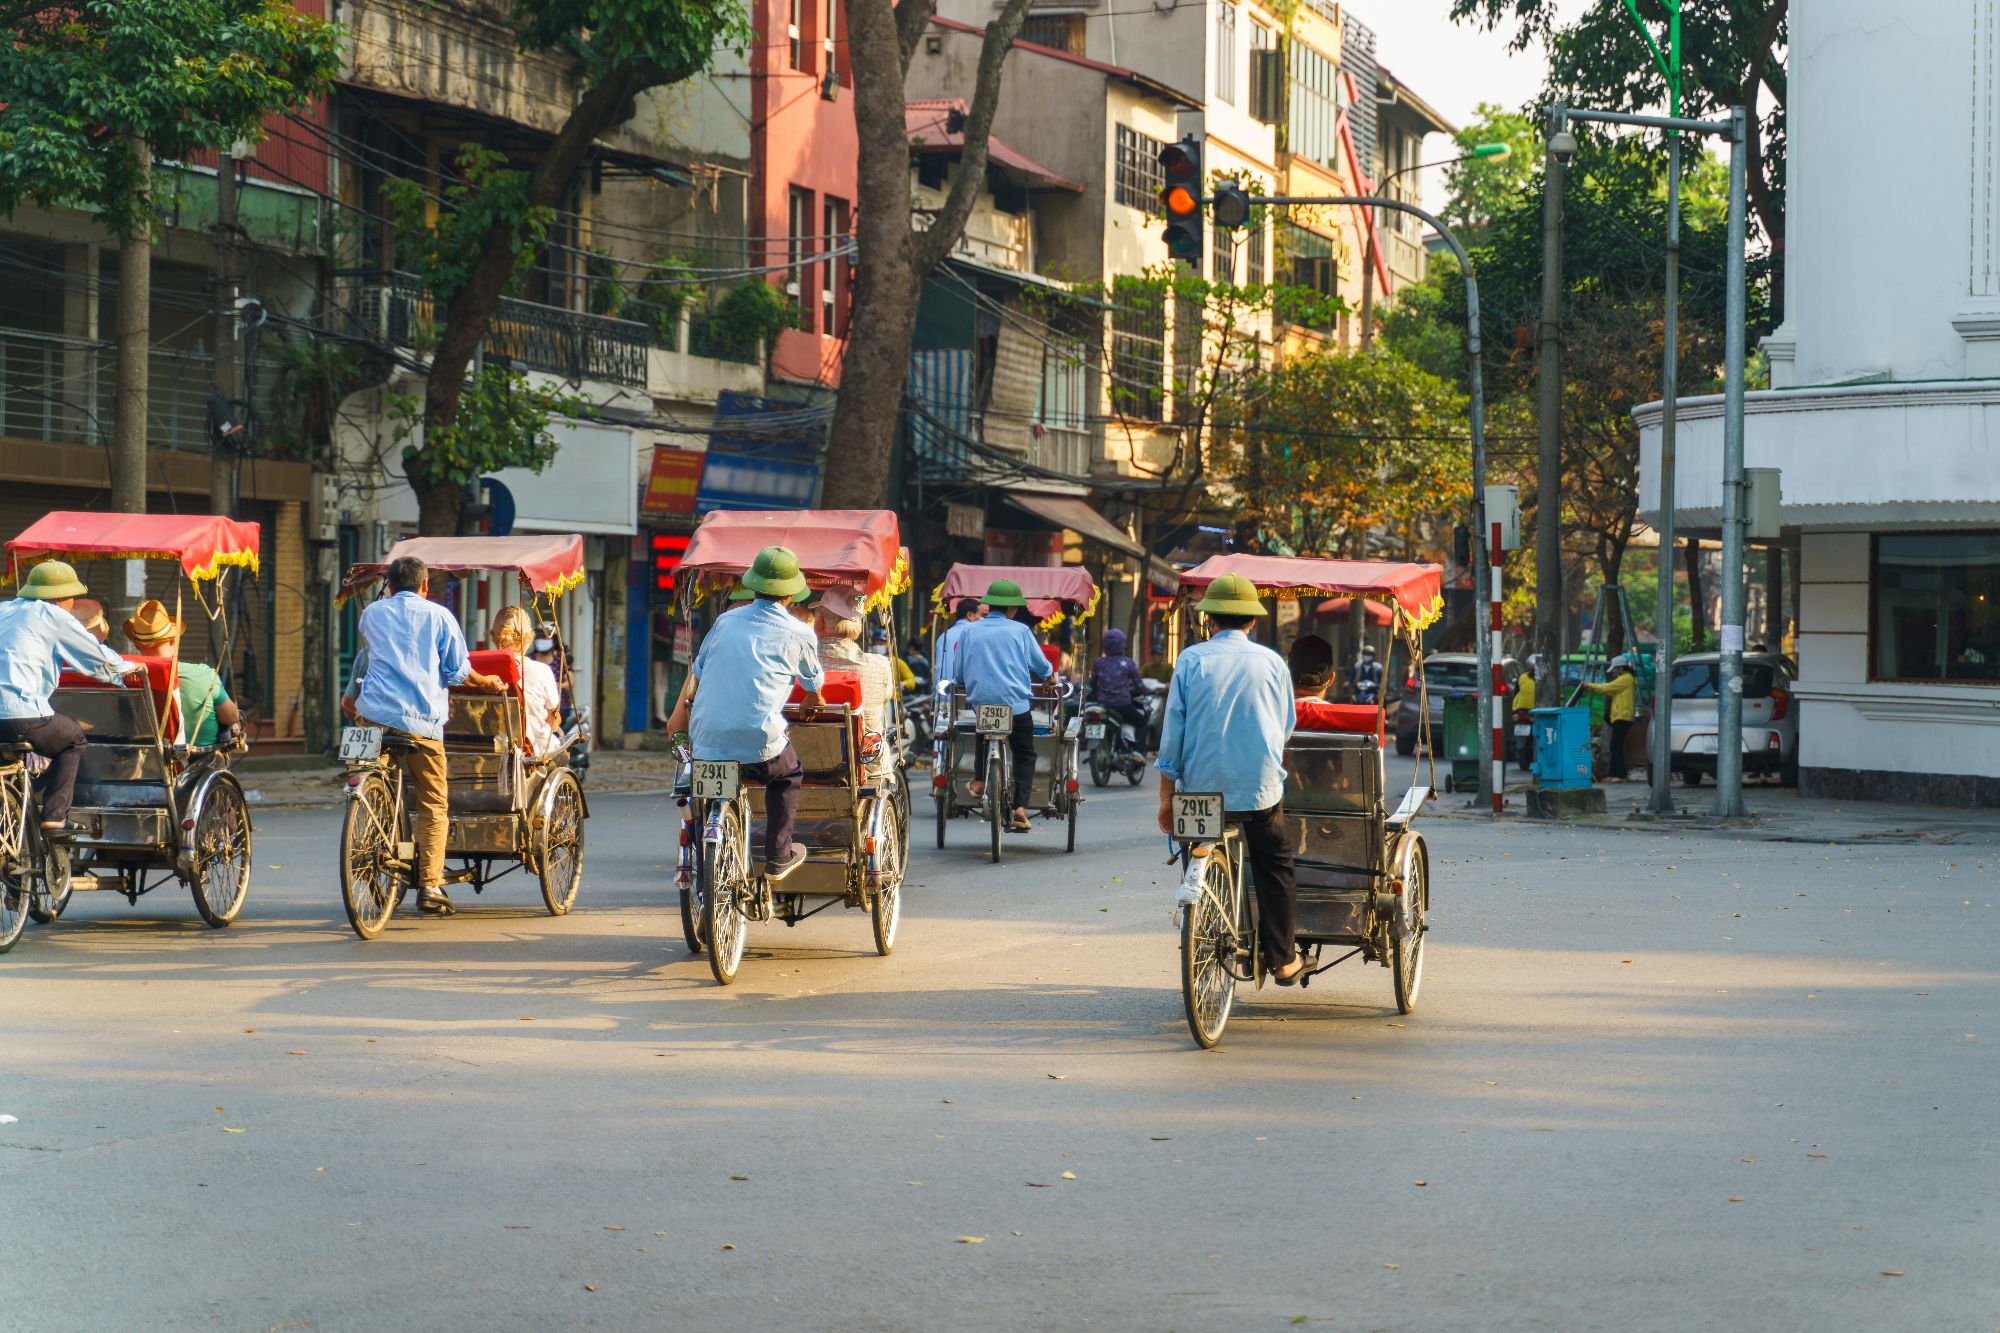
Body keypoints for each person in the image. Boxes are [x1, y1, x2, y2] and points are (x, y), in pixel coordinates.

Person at [1155, 574, 1306, 985]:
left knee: (1196, 848)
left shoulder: (1190, 660)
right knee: (1275, 863)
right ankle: (1282, 960)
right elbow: (1285, 726)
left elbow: (1173, 737)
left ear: (1210, 620)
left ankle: (1203, 908)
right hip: (1259, 792)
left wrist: (1166, 798)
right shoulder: (1273, 663)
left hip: (1200, 792)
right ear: (1252, 622)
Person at [342, 555, 507, 915]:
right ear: (425, 585)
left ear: (390, 583)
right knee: (434, 803)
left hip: (372, 717)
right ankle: (430, 884)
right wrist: (488, 683)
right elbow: (459, 673)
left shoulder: (372, 614)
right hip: (421, 723)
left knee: (372, 781)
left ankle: (369, 823)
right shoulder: (439, 616)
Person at [665, 546, 824, 879]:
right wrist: (812, 700)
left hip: (708, 738)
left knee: (705, 792)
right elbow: (813, 685)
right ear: (792, 593)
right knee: (788, 775)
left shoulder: (724, 622)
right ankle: (779, 854)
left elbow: (698, 673)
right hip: (761, 746)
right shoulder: (800, 633)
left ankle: (702, 857)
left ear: (754, 585)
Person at [0, 560, 147, 832]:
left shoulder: (4, 610)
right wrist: (125, 668)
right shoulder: (53, 615)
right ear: (61, 598)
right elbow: (96, 658)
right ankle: (55, 816)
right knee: (72, 740)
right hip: (23, 713)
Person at [956, 578, 1053, 832]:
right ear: (1011, 609)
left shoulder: (969, 631)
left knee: (983, 731)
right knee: (1024, 754)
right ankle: (1020, 807)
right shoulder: (1021, 631)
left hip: (981, 704)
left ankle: (978, 781)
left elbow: (958, 673)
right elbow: (1041, 666)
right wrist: (1048, 677)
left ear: (989, 606)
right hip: (1017, 706)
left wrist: (962, 683)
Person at [122, 599, 243, 748]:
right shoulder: (204, 674)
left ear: (136, 645)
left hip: (146, 759)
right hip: (198, 761)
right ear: (173, 641)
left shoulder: (125, 677)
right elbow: (230, 717)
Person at [815, 587, 893, 742]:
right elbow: (886, 699)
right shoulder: (881, 666)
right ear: (857, 626)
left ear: (820, 622)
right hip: (867, 761)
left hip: (806, 759)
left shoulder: (797, 662)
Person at [489, 605, 563, 757]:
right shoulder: (542, 671)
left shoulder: (477, 672)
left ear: (492, 636)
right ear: (529, 638)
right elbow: (553, 721)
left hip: (486, 747)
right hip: (532, 751)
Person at [1088, 627, 1148, 748]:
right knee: (1142, 723)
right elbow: (1139, 685)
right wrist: (1149, 691)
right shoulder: (1128, 662)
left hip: (1103, 704)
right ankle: (1138, 752)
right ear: (1122, 644)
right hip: (1123, 705)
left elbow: (1092, 683)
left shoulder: (1099, 662)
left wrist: (1095, 693)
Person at [1583, 654, 1639, 781]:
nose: (1615, 672)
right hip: (1620, 717)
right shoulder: (1627, 679)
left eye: (1616, 669)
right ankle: (1615, 774)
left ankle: (1619, 775)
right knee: (1615, 745)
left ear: (1620, 668)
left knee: (1616, 746)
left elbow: (1607, 687)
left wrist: (1589, 685)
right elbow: (1611, 690)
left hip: (1622, 716)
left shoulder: (1625, 678)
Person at [933, 597, 984, 685]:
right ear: (970, 615)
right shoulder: (978, 635)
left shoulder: (943, 637)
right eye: (981, 615)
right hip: (968, 693)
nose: (982, 619)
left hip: (945, 695)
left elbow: (939, 670)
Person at [1512, 653, 1543, 767]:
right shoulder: (1543, 679)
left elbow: (1515, 693)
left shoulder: (1522, 677)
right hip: (1529, 713)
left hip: (1520, 711)